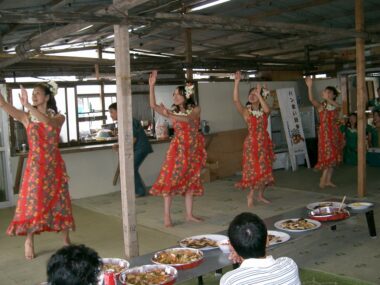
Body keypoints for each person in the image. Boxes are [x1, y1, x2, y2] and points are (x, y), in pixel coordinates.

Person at [1, 82, 75, 260]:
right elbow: (4, 105)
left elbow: (47, 122)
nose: (33, 96)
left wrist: (27, 105)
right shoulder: (26, 117)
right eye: (32, 93)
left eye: (37, 93)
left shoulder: (59, 117)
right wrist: (13, 104)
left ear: (48, 97)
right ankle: (29, 240)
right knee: (32, 203)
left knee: (60, 201)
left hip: (54, 166)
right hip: (35, 167)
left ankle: (66, 239)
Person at [148, 70, 206, 227]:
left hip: (193, 149)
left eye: (178, 94)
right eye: (173, 95)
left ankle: (189, 214)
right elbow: (153, 105)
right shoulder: (172, 111)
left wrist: (169, 114)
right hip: (178, 149)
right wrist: (151, 86)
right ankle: (167, 216)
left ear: (186, 95)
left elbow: (188, 119)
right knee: (170, 180)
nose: (175, 97)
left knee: (191, 181)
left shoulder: (196, 109)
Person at [220, 212, 300, 285]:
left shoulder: (231, 280)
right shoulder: (289, 265)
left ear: (231, 247)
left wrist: (240, 251)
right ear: (268, 240)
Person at [233, 71, 274, 208]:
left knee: (265, 169)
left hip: (264, 143)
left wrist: (260, 95)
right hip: (251, 143)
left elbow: (267, 110)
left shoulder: (264, 111)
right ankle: (250, 195)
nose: (252, 95)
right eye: (250, 93)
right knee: (254, 170)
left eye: (254, 94)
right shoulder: (246, 111)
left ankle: (261, 195)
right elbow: (235, 101)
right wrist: (236, 82)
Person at [305, 77, 344, 188]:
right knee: (328, 155)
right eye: (325, 92)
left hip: (334, 133)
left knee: (334, 156)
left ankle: (328, 180)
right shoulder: (322, 106)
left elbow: (339, 107)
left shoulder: (336, 106)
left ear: (333, 95)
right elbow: (312, 99)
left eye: (329, 92)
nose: (326, 93)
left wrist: (328, 99)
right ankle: (323, 179)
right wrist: (309, 87)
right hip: (325, 134)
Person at [108, 102, 153, 197]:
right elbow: (127, 139)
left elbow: (133, 139)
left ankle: (140, 191)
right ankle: (139, 190)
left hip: (141, 147)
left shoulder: (129, 121)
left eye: (112, 112)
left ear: (119, 111)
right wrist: (119, 145)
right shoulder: (124, 121)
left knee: (130, 168)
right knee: (131, 168)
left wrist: (123, 148)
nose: (110, 115)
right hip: (138, 147)